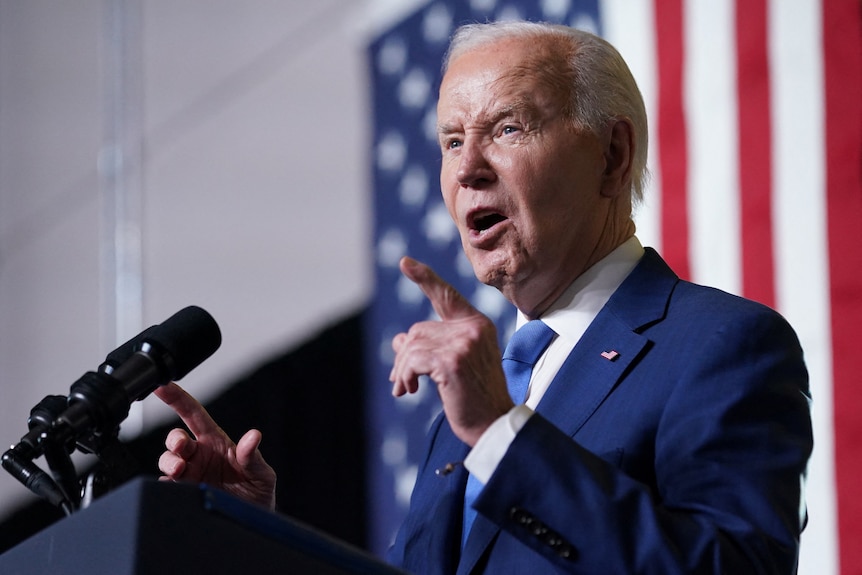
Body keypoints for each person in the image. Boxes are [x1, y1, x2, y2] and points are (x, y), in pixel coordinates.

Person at [155, 21, 813, 574]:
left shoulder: (721, 345)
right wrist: (251, 533)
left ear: (612, 156)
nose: (467, 167)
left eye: (506, 128)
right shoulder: (478, 401)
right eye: (450, 140)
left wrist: (501, 434)